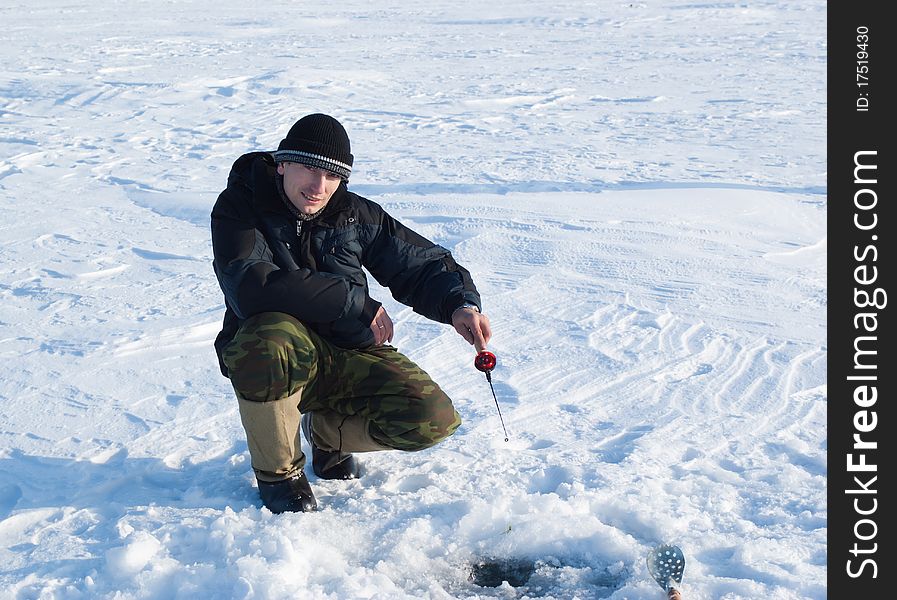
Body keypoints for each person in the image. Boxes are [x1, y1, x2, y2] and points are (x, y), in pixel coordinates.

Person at [211, 113, 492, 513]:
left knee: (431, 418)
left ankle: (326, 434)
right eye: (309, 168)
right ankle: (280, 475)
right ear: (282, 162)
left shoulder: (355, 214)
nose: (318, 186)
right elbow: (251, 287)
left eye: (332, 175)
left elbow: (421, 264)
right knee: (268, 336)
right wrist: (354, 301)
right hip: (276, 356)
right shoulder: (240, 208)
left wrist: (460, 304)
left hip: (348, 350)